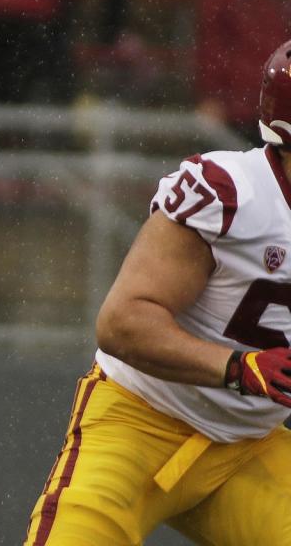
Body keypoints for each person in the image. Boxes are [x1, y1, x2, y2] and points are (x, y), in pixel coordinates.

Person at [23, 39, 291, 545]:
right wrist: (239, 367)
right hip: (140, 420)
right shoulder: (231, 193)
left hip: (248, 447)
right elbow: (123, 323)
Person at [195, 0, 289, 144]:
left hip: (283, 116)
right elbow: (209, 52)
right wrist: (212, 97)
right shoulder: (221, 1)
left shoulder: (285, 1)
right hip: (234, 115)